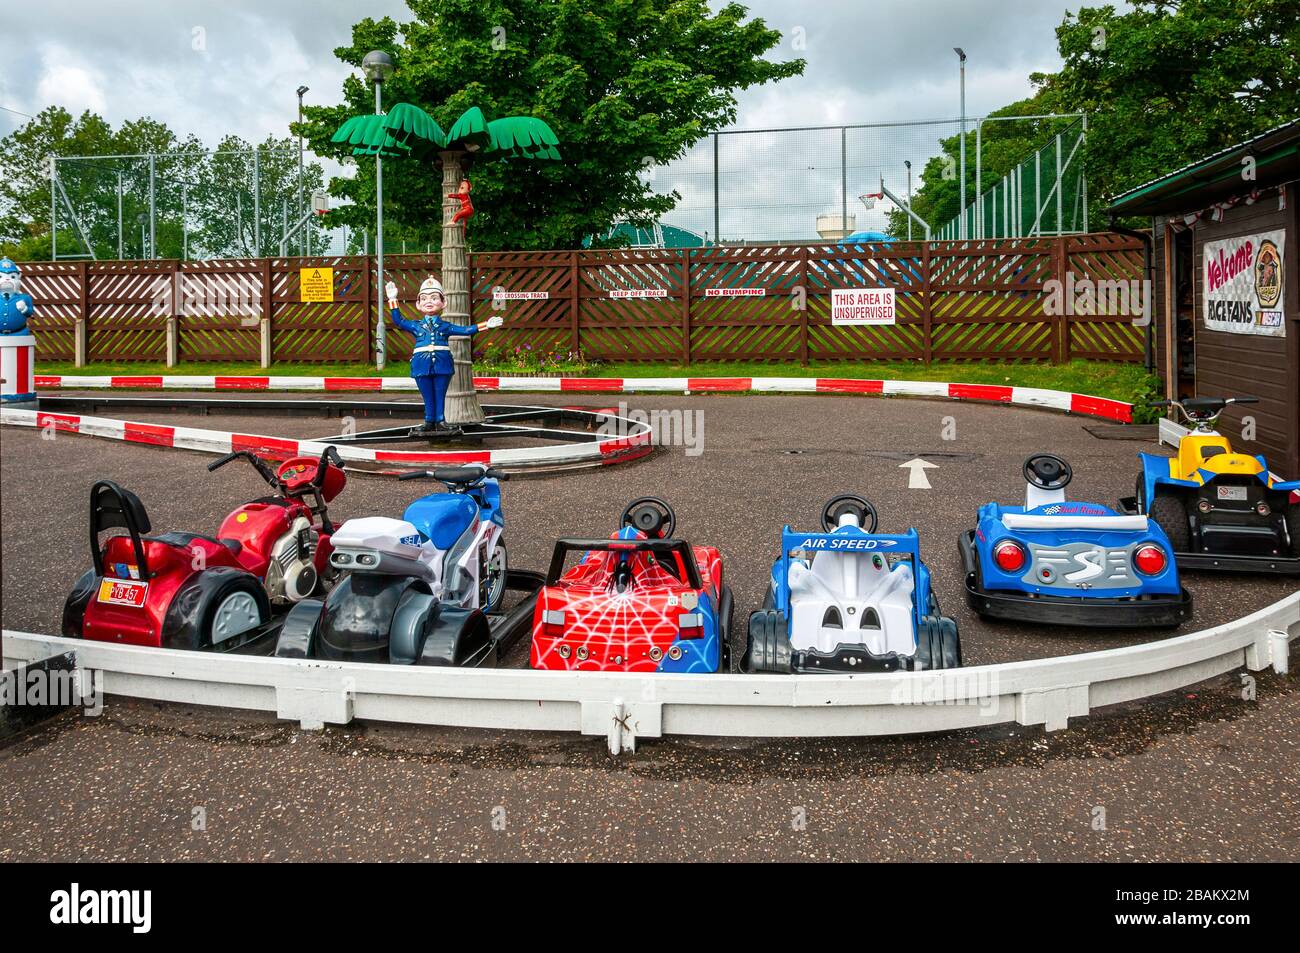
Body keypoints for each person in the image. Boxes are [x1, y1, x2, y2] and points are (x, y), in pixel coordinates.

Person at [384, 276, 502, 435]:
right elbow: (398, 321)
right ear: (418, 304)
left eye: (434, 298)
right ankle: (429, 421)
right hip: (421, 364)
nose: (429, 302)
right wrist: (392, 299)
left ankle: (440, 420)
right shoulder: (416, 326)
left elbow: (465, 330)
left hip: (442, 363)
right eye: (424, 299)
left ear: (443, 303)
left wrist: (486, 325)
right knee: (427, 394)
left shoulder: (445, 326)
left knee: (440, 393)